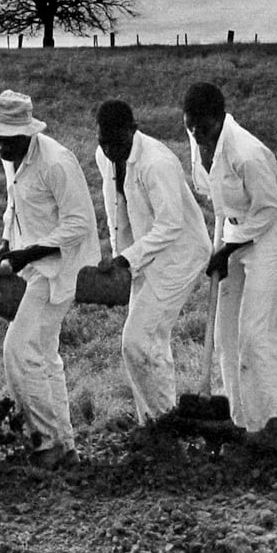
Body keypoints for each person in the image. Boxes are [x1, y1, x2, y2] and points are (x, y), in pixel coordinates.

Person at [0, 90, 99, 467]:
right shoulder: (12, 157)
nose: (1, 145)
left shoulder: (56, 162)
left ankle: (46, 443)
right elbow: (14, 203)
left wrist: (30, 253)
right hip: (31, 268)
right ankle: (64, 446)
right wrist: (6, 242)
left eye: (8, 139)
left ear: (28, 132)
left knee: (19, 349)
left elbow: (79, 222)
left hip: (58, 270)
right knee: (45, 357)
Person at [181, 82, 277, 433]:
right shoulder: (199, 142)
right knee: (224, 336)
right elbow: (211, 191)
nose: (199, 134)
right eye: (192, 125)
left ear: (220, 118)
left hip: (269, 235)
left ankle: (272, 423)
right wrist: (227, 241)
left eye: (205, 126)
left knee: (255, 334)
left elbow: (270, 208)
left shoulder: (246, 152)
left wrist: (227, 249)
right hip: (234, 231)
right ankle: (239, 423)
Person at [93, 99, 211, 424]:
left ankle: (165, 425)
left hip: (180, 254)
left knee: (137, 339)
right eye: (103, 143)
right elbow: (119, 213)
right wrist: (122, 261)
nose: (110, 150)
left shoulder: (155, 163)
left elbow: (171, 225)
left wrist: (125, 260)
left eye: (117, 142)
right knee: (146, 340)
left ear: (134, 129)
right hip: (144, 254)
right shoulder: (105, 157)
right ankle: (153, 425)